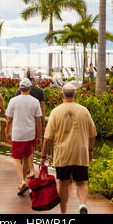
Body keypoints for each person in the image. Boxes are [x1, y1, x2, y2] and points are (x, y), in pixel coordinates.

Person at [40, 83, 97, 214]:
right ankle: (82, 204)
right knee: (81, 182)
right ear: (75, 95)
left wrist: (43, 155)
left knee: (63, 183)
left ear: (62, 95)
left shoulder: (56, 112)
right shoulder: (84, 111)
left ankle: (63, 212)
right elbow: (92, 133)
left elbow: (48, 138)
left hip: (63, 154)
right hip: (80, 153)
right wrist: (90, 150)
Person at [6, 78, 42, 195]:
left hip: (17, 133)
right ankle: (25, 178)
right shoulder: (35, 101)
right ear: (30, 88)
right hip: (30, 133)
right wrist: (40, 136)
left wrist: (7, 131)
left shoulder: (13, 100)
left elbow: (9, 119)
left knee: (16, 157)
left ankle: (22, 181)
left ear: (20, 88)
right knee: (27, 155)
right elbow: (38, 121)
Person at [15, 77, 46, 178]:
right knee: (30, 149)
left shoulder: (17, 93)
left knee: (22, 152)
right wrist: (43, 124)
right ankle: (30, 169)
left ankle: (27, 171)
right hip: (32, 125)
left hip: (20, 126)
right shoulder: (39, 91)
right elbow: (42, 108)